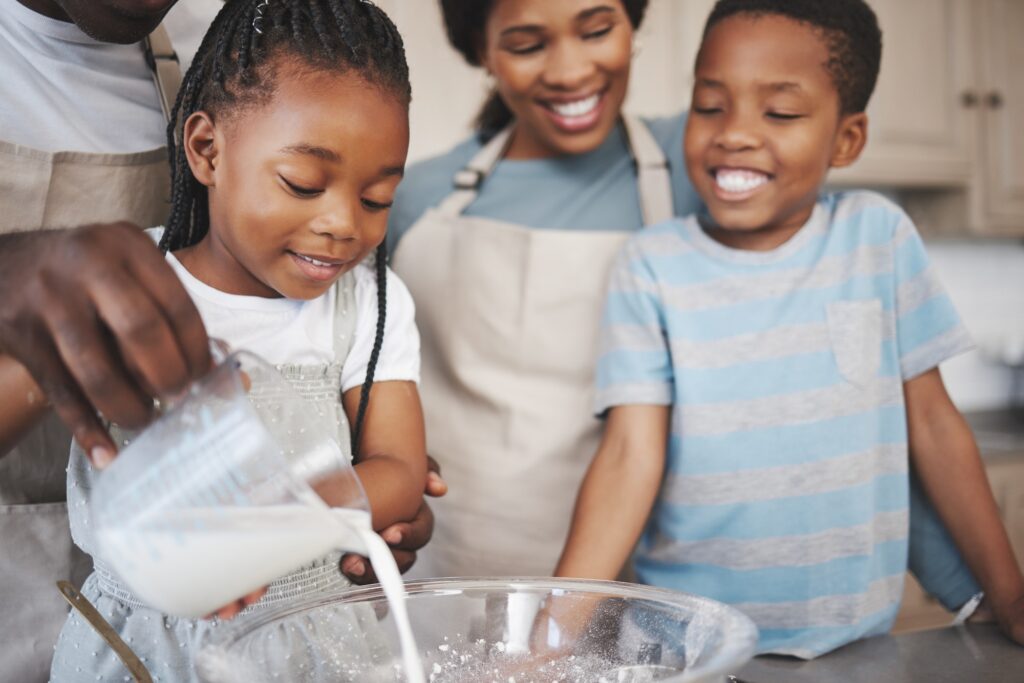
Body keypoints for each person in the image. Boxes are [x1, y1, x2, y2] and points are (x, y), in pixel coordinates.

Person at [554, 0, 1024, 658]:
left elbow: (934, 427)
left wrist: (1008, 591)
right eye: (711, 105)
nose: (735, 133)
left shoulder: (878, 239)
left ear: (846, 139)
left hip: (855, 640)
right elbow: (630, 455)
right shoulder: (652, 266)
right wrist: (550, 635)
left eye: (780, 112)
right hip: (687, 647)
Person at [0, 0, 427, 678]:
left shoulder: (369, 306)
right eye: (303, 183)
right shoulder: (127, 290)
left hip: (312, 644)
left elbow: (402, 471)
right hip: (137, 646)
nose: (344, 222)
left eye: (377, 198)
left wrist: (276, 522)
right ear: (205, 149)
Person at [389, 0, 702, 580]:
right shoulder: (413, 196)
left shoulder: (697, 167)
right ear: (482, 51)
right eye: (528, 45)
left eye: (597, 30)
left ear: (633, 23)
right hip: (440, 575)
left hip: (627, 589)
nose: (569, 71)